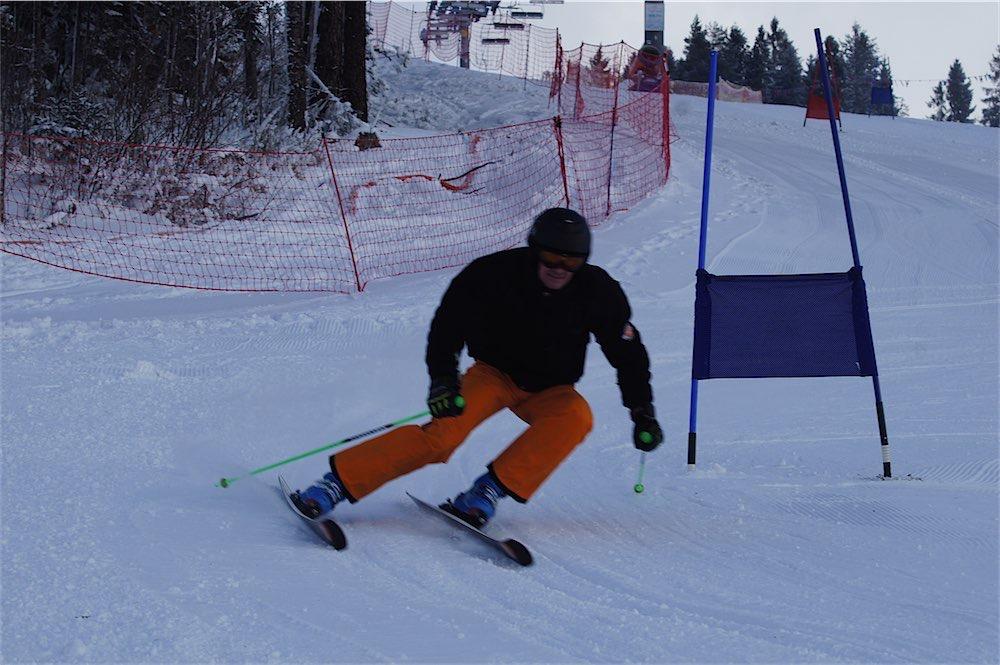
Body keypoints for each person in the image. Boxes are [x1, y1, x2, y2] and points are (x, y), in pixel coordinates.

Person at [291, 207, 663, 527]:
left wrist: (642, 410)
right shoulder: (494, 274)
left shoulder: (597, 290)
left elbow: (626, 351)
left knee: (576, 417)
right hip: (493, 375)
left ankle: (487, 491)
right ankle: (334, 484)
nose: (559, 268)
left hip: (551, 389)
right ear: (535, 251)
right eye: (550, 257)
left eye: (570, 261)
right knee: (442, 438)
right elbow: (448, 326)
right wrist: (443, 382)